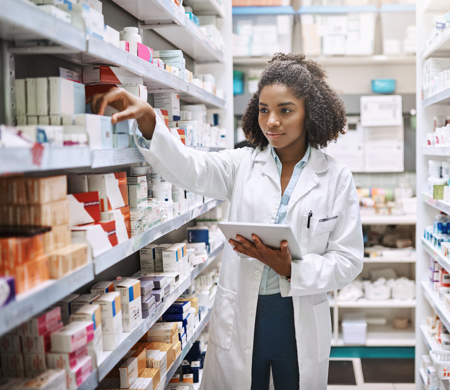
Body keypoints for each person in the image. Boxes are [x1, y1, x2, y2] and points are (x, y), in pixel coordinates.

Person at [89, 53, 364, 390]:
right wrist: (150, 120)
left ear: (311, 113)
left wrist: (291, 268)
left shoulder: (335, 177)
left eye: (285, 110)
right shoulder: (242, 163)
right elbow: (191, 168)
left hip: (298, 315)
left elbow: (348, 260)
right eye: (264, 109)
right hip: (243, 315)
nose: (272, 122)